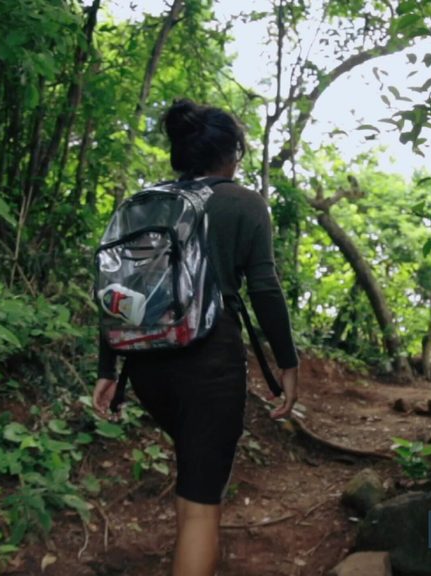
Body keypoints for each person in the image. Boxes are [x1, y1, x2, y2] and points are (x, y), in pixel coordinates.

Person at [93, 99, 300, 576]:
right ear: (231, 153)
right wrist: (288, 364)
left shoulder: (144, 204)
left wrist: (107, 368)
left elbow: (117, 291)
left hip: (146, 367)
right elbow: (264, 288)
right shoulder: (244, 203)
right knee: (203, 503)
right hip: (209, 365)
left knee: (193, 482)